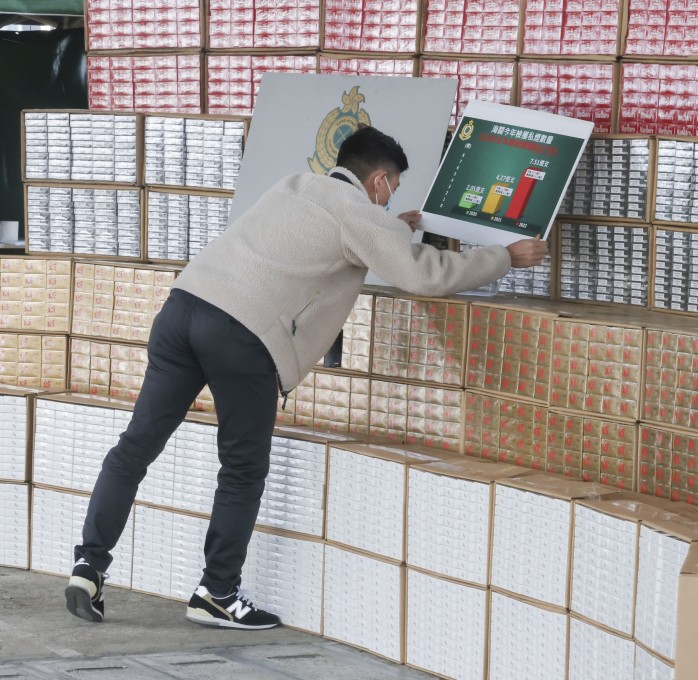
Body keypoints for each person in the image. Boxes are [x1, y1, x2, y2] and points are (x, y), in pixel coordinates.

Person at [65, 126, 548, 629]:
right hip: (241, 334)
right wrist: (503, 258)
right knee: (241, 469)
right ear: (379, 180)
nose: (390, 198)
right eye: (394, 187)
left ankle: (88, 565)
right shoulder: (360, 213)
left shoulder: (294, 184)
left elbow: (342, 239)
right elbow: (422, 275)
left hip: (183, 309)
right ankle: (216, 592)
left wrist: (391, 231)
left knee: (136, 446)